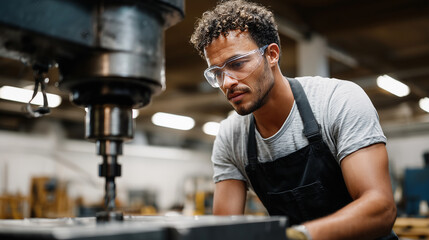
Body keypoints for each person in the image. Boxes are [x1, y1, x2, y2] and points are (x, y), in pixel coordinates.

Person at [190, 0, 397, 239]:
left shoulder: (336, 101)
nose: (227, 82)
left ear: (272, 54)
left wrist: (299, 236)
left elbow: (381, 209)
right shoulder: (230, 136)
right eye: (217, 73)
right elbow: (225, 231)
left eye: (237, 64)